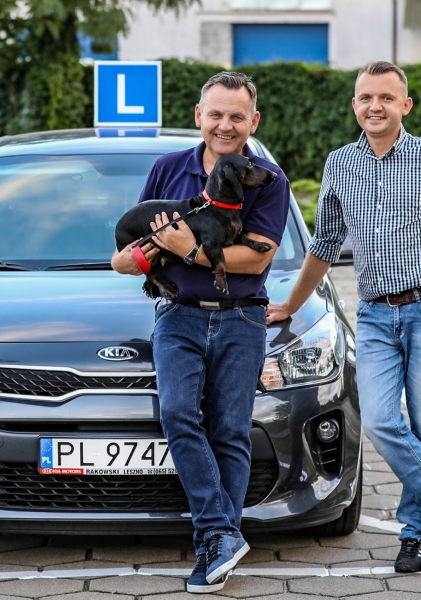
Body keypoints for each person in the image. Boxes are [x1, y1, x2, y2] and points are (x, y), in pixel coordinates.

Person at [267, 61, 421, 573]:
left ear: (405, 105)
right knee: (381, 422)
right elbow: (325, 244)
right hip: (376, 316)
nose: (374, 106)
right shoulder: (340, 164)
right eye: (365, 98)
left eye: (385, 97)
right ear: (354, 105)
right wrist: (290, 305)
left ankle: (415, 533)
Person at [112, 72, 289, 594]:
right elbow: (128, 255)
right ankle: (220, 533)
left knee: (230, 431)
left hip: (243, 317)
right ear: (199, 116)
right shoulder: (167, 170)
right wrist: (135, 258)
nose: (225, 125)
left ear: (254, 121)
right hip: (179, 315)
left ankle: (214, 544)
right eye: (216, 114)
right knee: (178, 415)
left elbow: (256, 258)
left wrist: (187, 249)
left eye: (237, 116)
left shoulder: (268, 180)